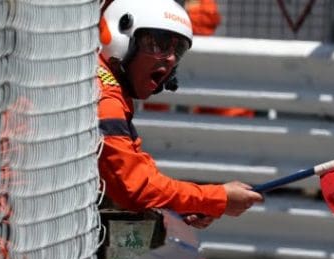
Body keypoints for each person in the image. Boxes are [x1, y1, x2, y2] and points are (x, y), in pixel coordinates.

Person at [98, 0, 262, 229]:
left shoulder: (106, 88)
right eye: (158, 44)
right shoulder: (106, 99)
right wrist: (215, 198)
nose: (171, 58)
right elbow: (134, 188)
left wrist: (190, 203)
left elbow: (138, 179)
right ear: (121, 35)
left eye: (178, 50)